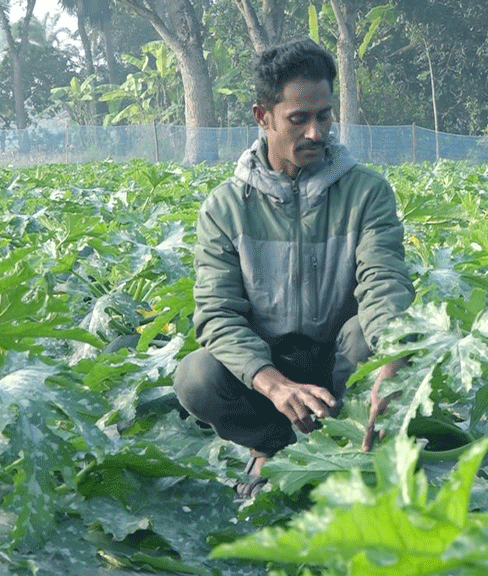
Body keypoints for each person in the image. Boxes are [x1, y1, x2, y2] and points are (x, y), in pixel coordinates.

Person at [173, 38, 415, 498]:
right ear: (262, 117)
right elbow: (216, 315)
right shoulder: (225, 208)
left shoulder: (367, 192)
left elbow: (384, 282)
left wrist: (391, 360)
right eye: (298, 119)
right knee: (196, 377)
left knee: (374, 336)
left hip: (343, 361)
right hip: (271, 370)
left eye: (323, 116)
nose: (315, 133)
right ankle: (275, 447)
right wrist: (274, 384)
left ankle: (352, 439)